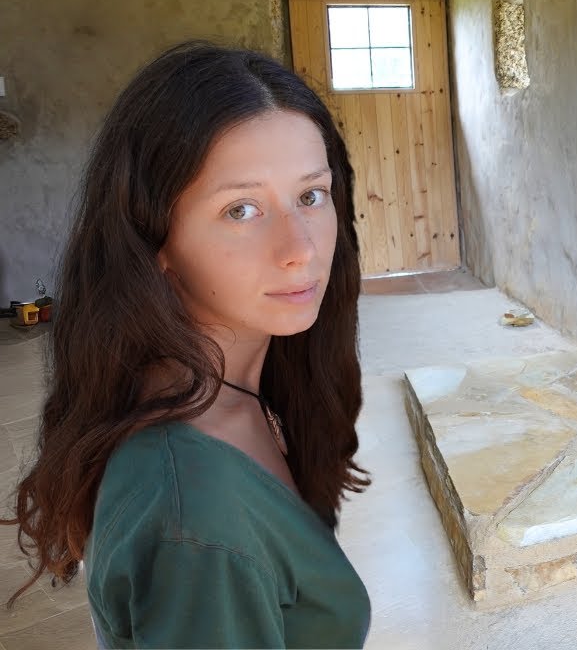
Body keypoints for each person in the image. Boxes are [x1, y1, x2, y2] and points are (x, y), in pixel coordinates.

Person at [1, 41, 372, 648]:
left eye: (311, 196)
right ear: (156, 238)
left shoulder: (204, 383)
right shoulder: (197, 523)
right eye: (242, 209)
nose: (302, 247)